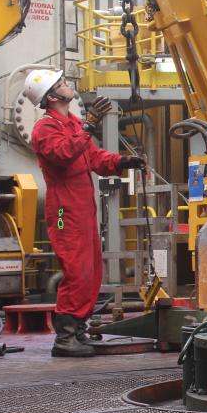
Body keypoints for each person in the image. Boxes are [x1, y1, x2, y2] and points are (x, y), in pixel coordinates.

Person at [24, 69, 145, 357]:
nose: (67, 84)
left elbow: (94, 158)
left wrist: (122, 161)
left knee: (91, 271)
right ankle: (65, 338)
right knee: (77, 270)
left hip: (82, 207)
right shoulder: (45, 128)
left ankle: (78, 329)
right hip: (63, 210)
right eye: (61, 83)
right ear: (51, 96)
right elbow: (64, 154)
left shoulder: (73, 123)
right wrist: (89, 125)